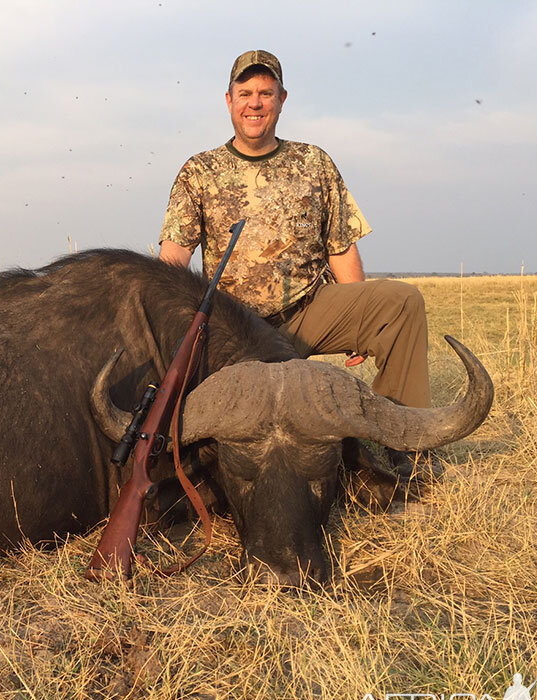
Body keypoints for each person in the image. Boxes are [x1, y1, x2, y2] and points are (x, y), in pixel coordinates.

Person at [158, 50, 440, 479]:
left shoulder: (314, 162)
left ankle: (403, 441)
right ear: (229, 99)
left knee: (400, 303)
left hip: (307, 311)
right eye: (246, 93)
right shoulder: (200, 171)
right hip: (233, 328)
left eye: (266, 93)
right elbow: (172, 262)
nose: (255, 103)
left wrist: (357, 316)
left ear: (282, 99)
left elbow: (340, 246)